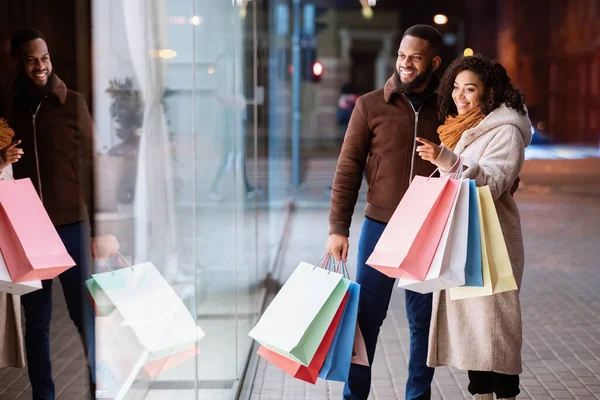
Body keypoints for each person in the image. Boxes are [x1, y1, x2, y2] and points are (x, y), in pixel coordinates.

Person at [326, 25, 444, 400]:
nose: (406, 64)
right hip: (381, 227)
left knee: (423, 323)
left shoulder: (449, 108)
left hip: (429, 229)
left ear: (434, 62)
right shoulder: (371, 105)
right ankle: (354, 395)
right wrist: (338, 228)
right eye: (402, 55)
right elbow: (347, 168)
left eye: (416, 57)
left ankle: (417, 396)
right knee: (366, 319)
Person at [416, 54, 531, 400]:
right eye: (456, 88)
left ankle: (506, 395)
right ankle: (480, 395)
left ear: (489, 92)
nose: (460, 96)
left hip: (492, 242)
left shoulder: (506, 130)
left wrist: (447, 160)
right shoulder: (462, 126)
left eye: (470, 89)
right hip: (465, 238)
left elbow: (494, 182)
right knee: (475, 331)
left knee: (497, 329)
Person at [7, 27, 101, 400]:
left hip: (72, 227)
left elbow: (94, 168)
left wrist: (99, 228)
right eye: (31, 60)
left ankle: (99, 387)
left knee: (85, 317)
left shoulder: (72, 104)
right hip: (30, 231)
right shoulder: (8, 107)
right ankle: (43, 396)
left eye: (44, 58)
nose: (40, 66)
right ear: (18, 62)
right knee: (38, 323)